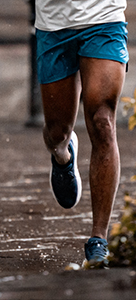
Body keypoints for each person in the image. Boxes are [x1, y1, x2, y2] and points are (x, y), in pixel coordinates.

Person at [35, 0, 129, 267]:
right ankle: (63, 154)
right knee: (57, 130)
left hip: (104, 18)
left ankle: (99, 238)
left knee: (102, 122)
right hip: (54, 24)